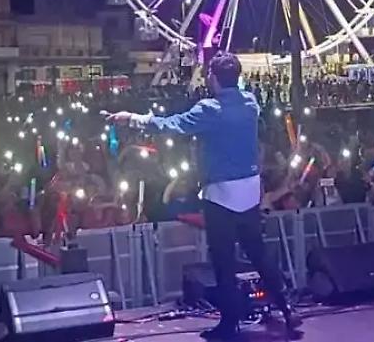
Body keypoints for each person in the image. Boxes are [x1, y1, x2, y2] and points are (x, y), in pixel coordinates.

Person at [107, 52, 301, 340]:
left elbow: (171, 124)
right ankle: (286, 309)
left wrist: (132, 118)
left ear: (213, 77)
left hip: (221, 193)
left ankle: (230, 322)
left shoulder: (209, 109)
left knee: (223, 261)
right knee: (258, 254)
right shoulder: (250, 104)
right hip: (249, 190)